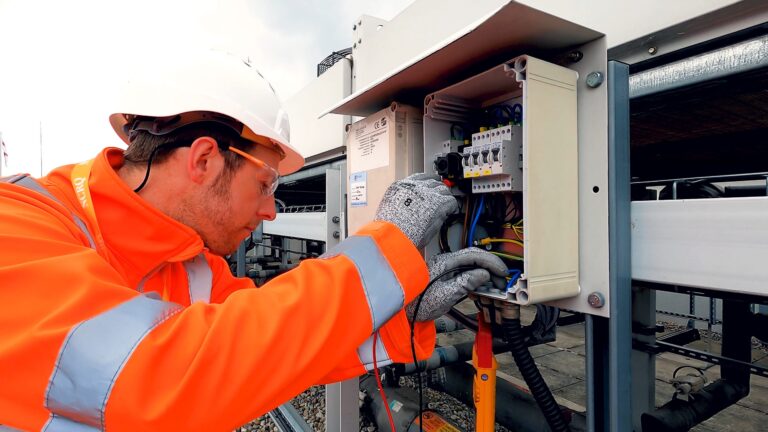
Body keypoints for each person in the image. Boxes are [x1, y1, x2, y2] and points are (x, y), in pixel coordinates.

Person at [0, 49, 507, 431]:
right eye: (265, 185)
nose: (270, 211)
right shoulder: (17, 224)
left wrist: (400, 312)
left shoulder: (189, 266)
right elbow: (159, 375)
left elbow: (273, 346)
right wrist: (384, 253)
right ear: (203, 160)